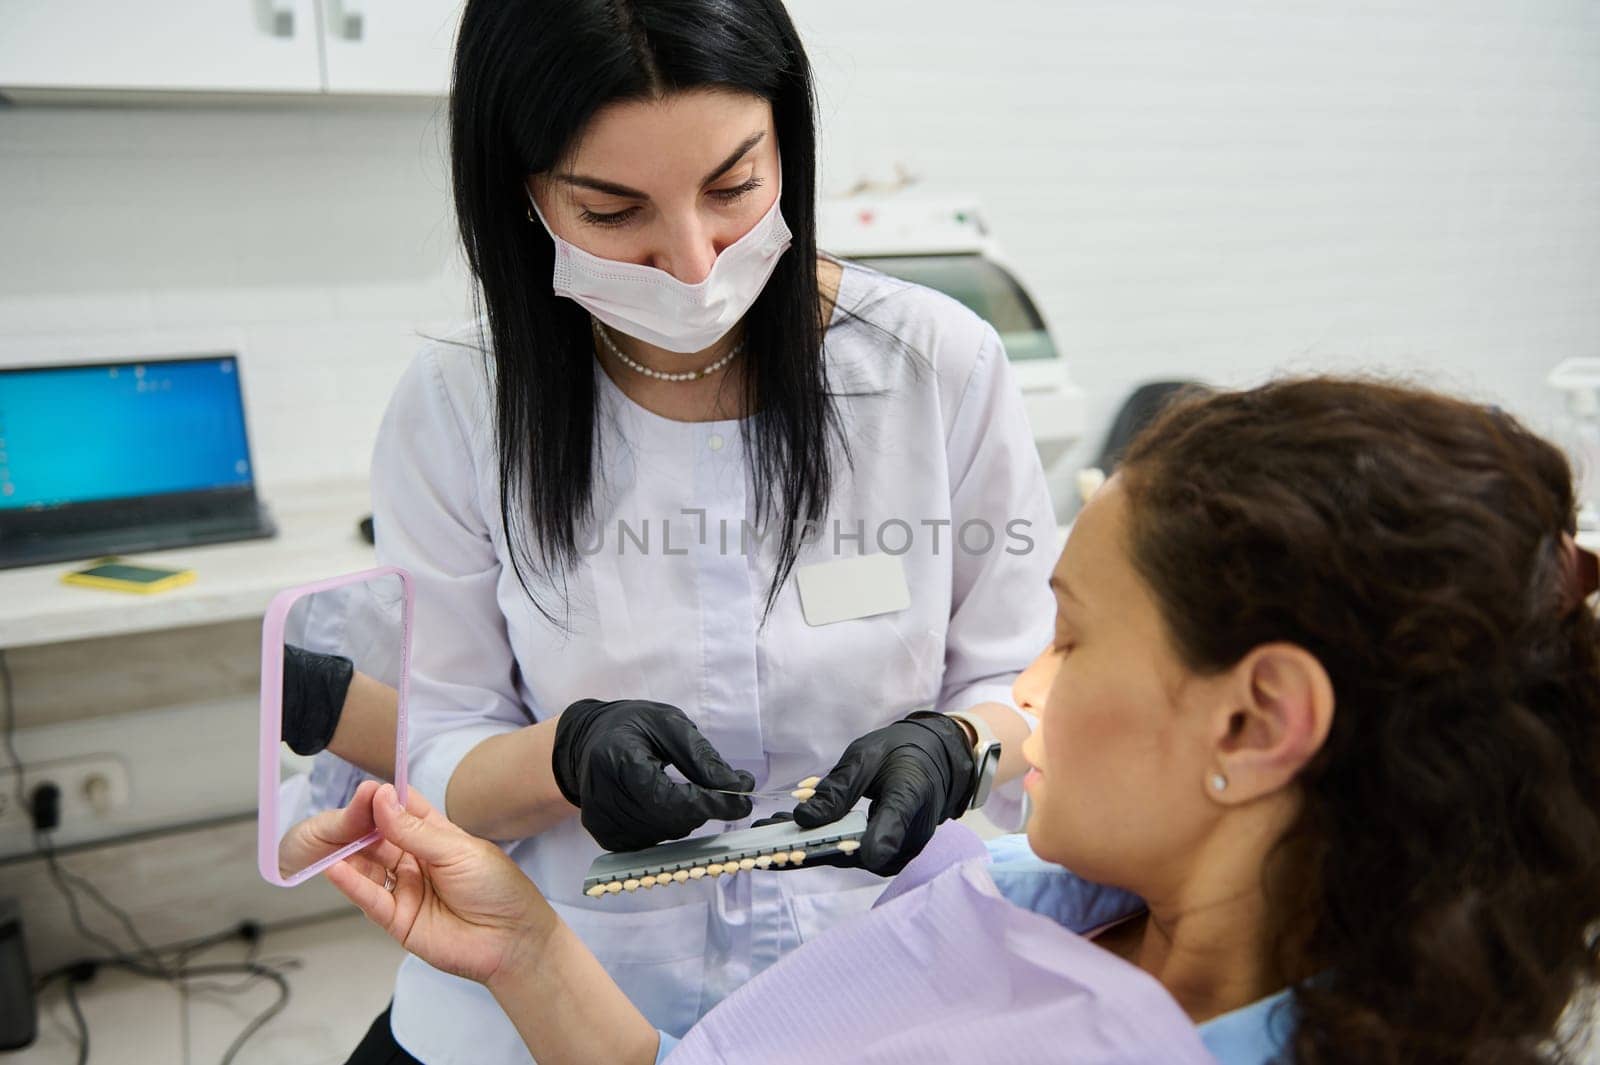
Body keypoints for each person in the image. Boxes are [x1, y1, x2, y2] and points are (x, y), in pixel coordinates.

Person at [309, 377, 1600, 1064]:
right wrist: (528, 947)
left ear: (1257, 721)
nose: (1019, 693)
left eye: (1073, 638)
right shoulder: (1038, 894)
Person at [357, 0, 1056, 1059]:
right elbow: (438, 748)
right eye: (611, 210)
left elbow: (1028, 678)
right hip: (550, 996)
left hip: (883, 983)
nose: (691, 263)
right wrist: (565, 758)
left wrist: (960, 748)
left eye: (733, 187)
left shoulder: (933, 367)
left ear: (790, 142)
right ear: (524, 191)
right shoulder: (458, 406)